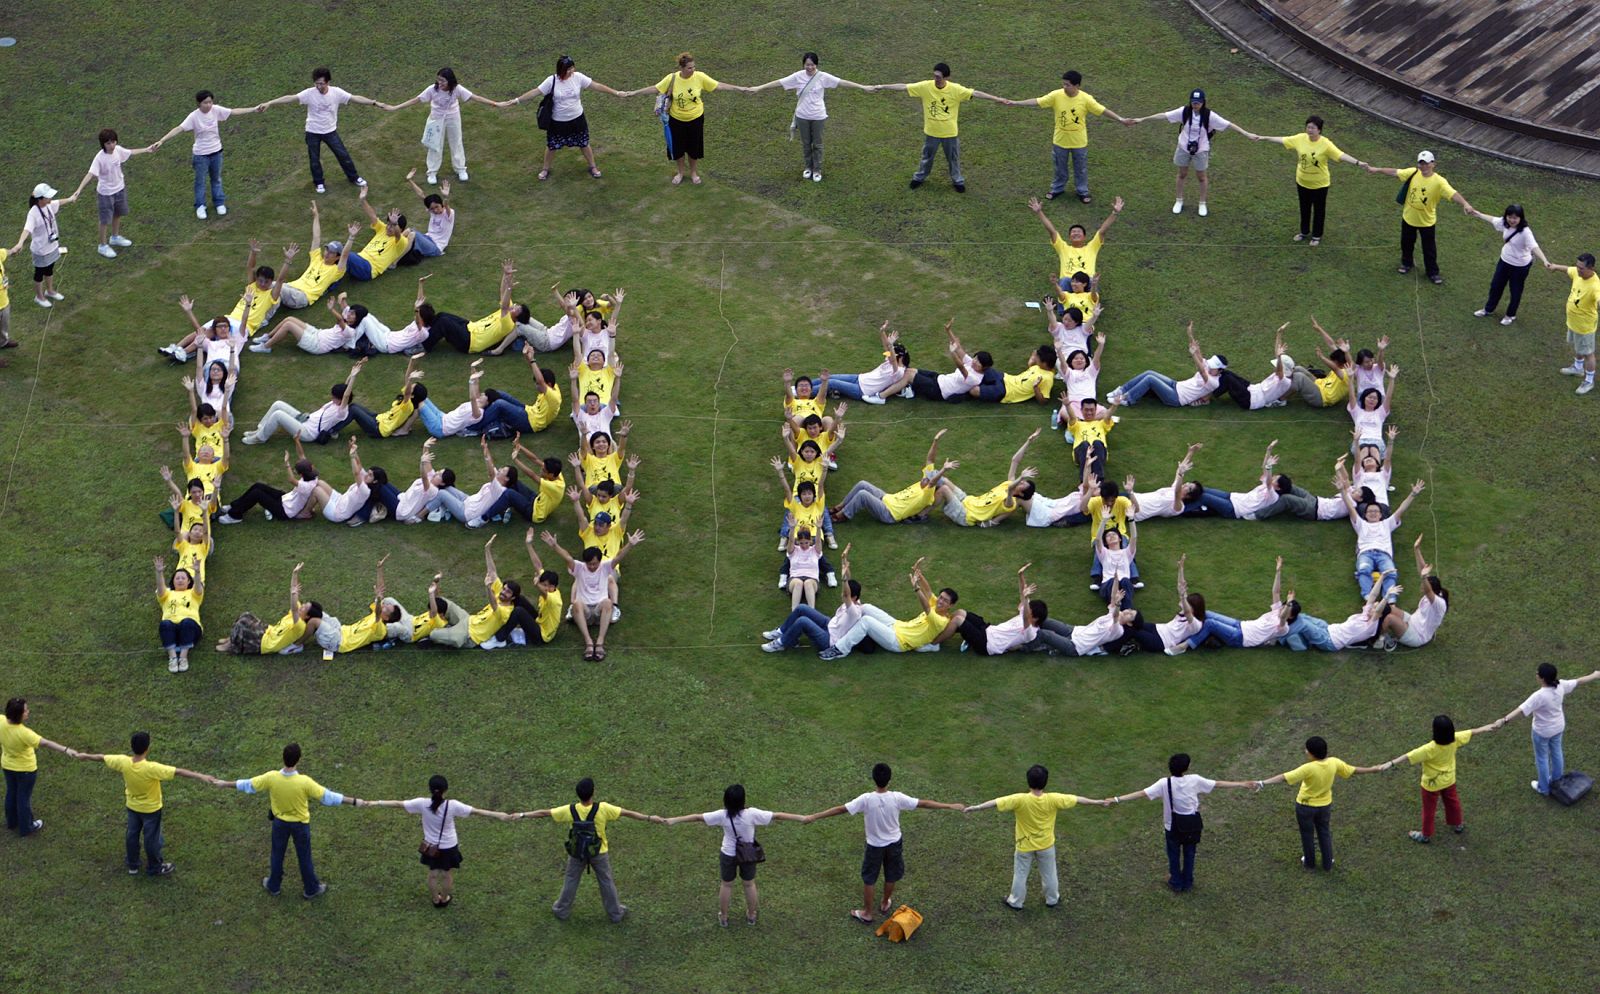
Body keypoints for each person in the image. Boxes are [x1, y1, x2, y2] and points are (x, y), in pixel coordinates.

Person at [806, 762, 964, 923]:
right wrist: (949, 805)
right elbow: (923, 803)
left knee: (869, 879)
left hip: (874, 846)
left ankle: (867, 913)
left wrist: (814, 816)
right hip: (894, 843)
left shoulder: (866, 799)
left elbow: (841, 809)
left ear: (874, 779)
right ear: (890, 780)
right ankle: (884, 902)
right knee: (891, 875)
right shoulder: (896, 798)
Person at [215, 742, 360, 898]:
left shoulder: (272, 778)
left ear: (283, 758)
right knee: (304, 857)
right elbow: (328, 797)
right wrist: (353, 801)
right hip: (300, 826)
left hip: (280, 824)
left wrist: (225, 784)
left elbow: (248, 784)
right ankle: (311, 889)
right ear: (298, 760)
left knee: (277, 854)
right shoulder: (304, 782)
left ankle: (273, 885)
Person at [63, 731, 213, 877]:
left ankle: (132, 865)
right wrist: (202, 776)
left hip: (132, 807)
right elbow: (178, 772)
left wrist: (85, 756)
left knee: (132, 835)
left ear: (132, 746)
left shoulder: (123, 762)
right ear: (147, 748)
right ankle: (154, 867)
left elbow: (102, 757)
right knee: (151, 839)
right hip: (151, 810)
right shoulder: (151, 768)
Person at [356, 775, 517, 907]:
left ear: (430, 789)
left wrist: (375, 802)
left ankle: (435, 899)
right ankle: (445, 899)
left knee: (433, 874)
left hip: (431, 846)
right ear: (445, 790)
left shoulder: (422, 803)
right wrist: (499, 815)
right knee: (447, 874)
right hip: (450, 846)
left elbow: (398, 804)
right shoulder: (453, 805)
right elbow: (477, 812)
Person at [659, 784, 808, 926]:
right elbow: (777, 816)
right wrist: (802, 817)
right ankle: (751, 915)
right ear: (743, 800)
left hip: (728, 854)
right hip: (748, 855)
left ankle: (723, 917)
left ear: (726, 801)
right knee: (749, 884)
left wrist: (674, 820)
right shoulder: (752, 814)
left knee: (726, 884)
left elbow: (698, 817)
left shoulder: (722, 816)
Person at [516, 777, 659, 923]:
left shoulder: (570, 810)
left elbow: (545, 813)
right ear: (593, 792)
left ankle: (561, 910)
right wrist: (649, 817)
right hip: (599, 852)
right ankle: (616, 913)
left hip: (577, 852)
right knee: (606, 881)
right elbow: (627, 813)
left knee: (571, 879)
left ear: (578, 795)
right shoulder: (603, 808)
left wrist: (522, 815)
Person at [1103, 754, 1255, 892]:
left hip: (1172, 826)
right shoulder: (1194, 780)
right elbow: (1218, 784)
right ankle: (1187, 883)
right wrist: (1241, 784)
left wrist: (1117, 799)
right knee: (1189, 854)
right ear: (1186, 768)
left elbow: (1142, 793)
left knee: (1173, 855)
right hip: (1192, 825)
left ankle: (1175, 882)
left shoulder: (1164, 783)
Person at [965, 764, 1109, 909]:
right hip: (1046, 845)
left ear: (1028, 781)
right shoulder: (1054, 799)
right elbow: (1077, 799)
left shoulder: (1020, 799)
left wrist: (976, 808)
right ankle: (1052, 900)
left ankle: (1015, 902)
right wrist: (1097, 802)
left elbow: (995, 803)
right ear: (1045, 782)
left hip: (1024, 846)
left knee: (1020, 875)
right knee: (1050, 874)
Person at [1251, 736, 1385, 871]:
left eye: (1307, 750)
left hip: (1305, 807)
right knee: (1324, 832)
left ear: (1311, 753)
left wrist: (1263, 783)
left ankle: (1310, 863)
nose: (1305, 751)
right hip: (1324, 806)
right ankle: (1327, 863)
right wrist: (1372, 769)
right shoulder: (1334, 762)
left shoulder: (1308, 768)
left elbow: (1284, 777)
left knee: (1307, 834)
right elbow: (1353, 770)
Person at [622, 53, 753, 186]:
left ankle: (693, 173)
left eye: (694, 67)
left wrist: (740, 89)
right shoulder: (671, 78)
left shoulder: (699, 77)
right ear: (682, 68)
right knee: (678, 149)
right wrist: (634, 93)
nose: (693, 70)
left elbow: (718, 85)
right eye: (690, 68)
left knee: (693, 148)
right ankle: (680, 173)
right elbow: (655, 88)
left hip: (695, 119)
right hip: (676, 120)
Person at [1124, 89, 1256, 216]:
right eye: (1193, 102)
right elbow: (1164, 115)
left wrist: (1246, 133)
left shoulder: (1210, 116)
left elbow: (1228, 124)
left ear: (1203, 102)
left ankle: (1202, 203)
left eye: (1198, 102)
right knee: (1182, 174)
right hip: (1183, 147)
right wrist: (1142, 119)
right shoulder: (1184, 112)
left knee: (1201, 177)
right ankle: (1179, 200)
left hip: (1201, 150)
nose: (1195, 105)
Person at [877, 62, 1005, 192]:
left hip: (950, 134)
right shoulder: (925, 86)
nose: (936, 79)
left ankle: (957, 181)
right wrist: (882, 86)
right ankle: (919, 177)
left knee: (953, 159)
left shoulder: (956, 90)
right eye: (934, 76)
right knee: (926, 157)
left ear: (946, 78)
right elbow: (904, 87)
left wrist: (996, 98)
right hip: (931, 132)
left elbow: (976, 93)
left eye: (938, 77)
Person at [1001, 70, 1127, 202]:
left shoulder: (1086, 99)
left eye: (1067, 85)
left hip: (1079, 142)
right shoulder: (1056, 95)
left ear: (1077, 86)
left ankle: (1083, 191)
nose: (1064, 87)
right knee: (1060, 167)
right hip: (1060, 141)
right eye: (1063, 84)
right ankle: (1057, 189)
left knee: (1081, 169)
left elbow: (1103, 111)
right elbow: (1037, 102)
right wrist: (1016, 103)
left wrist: (1120, 119)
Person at [747, 52, 875, 182]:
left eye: (812, 65)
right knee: (806, 143)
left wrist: (862, 87)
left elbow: (842, 82)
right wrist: (759, 88)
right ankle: (808, 167)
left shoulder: (823, 77)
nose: (809, 68)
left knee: (817, 144)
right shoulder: (798, 76)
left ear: (816, 64)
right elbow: (779, 82)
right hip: (802, 116)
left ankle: (817, 169)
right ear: (803, 65)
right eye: (807, 65)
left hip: (818, 116)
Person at [1381, 714, 1505, 844]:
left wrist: (1391, 763)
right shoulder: (1455, 739)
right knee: (1453, 802)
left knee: (1429, 810)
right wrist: (1489, 727)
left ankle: (1425, 835)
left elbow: (1408, 756)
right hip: (1449, 780)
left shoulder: (1429, 748)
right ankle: (1458, 824)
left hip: (1430, 785)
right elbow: (1473, 732)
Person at [503, 56, 627, 180]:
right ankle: (545, 169)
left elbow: (596, 86)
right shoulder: (551, 81)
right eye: (568, 69)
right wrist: (516, 101)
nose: (571, 71)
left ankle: (593, 167)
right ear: (560, 70)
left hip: (577, 119)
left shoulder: (578, 77)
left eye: (572, 68)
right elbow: (535, 92)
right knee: (552, 146)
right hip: (558, 122)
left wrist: (615, 92)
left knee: (584, 144)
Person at [1249, 115, 1366, 244]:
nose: (1310, 130)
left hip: (1320, 185)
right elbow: (1283, 140)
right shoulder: (1300, 138)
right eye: (1308, 127)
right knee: (1304, 208)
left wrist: (1358, 162)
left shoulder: (1325, 144)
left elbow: (1340, 155)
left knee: (1318, 211)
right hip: (1302, 182)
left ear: (1319, 130)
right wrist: (1263, 137)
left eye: (1313, 128)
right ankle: (1304, 232)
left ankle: (1316, 236)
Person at [259, 67, 378, 193]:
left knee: (343, 155)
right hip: (312, 132)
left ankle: (354, 177)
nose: (318, 86)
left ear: (328, 82)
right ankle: (319, 182)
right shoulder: (309, 93)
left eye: (321, 83)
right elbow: (290, 98)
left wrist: (373, 102)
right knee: (314, 160)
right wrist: (270, 103)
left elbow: (354, 98)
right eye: (316, 83)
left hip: (330, 131)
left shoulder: (336, 92)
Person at [1364, 151, 1475, 285]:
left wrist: (1465, 203)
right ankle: (1406, 263)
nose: (1423, 167)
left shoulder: (1439, 182)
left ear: (1433, 164)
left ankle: (1432, 272)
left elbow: (1452, 193)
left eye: (1426, 164)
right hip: (1408, 218)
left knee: (1429, 249)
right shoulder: (1413, 172)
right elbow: (1395, 172)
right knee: (1406, 243)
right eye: (1421, 163)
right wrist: (1377, 170)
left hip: (1427, 222)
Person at [818, 557, 957, 660]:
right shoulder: (937, 604)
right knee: (866, 607)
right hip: (897, 625)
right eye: (941, 597)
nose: (940, 601)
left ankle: (839, 649)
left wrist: (916, 588)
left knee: (866, 621)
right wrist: (919, 575)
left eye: (945, 601)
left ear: (950, 606)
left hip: (898, 641)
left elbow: (926, 607)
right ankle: (847, 626)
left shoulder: (941, 621)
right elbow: (928, 592)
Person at [378, 67, 499, 183]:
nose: (439, 83)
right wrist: (395, 107)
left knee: (456, 142)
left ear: (450, 81)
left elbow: (475, 97)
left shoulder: (457, 89)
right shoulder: (432, 89)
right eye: (438, 79)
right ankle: (432, 172)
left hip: (453, 117)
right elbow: (416, 99)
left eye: (443, 80)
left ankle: (460, 169)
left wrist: (495, 103)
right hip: (436, 119)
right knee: (434, 144)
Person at [1495, 664, 1600, 797]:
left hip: (1542, 731)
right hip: (1558, 727)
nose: (1536, 675)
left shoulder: (1539, 696)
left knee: (1542, 758)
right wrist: (1595, 675)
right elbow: (1578, 681)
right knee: (1557, 752)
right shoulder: (1560, 685)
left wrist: (1503, 720)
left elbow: (1521, 710)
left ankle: (1543, 788)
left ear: (1542, 678)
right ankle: (1556, 781)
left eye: (1537, 673)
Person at [156, 90, 263, 218]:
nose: (208, 105)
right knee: (200, 181)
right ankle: (200, 206)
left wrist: (254, 109)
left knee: (216, 179)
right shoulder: (194, 116)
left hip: (216, 152)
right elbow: (179, 128)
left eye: (210, 102)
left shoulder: (216, 110)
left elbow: (233, 111)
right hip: (201, 155)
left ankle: (219, 203)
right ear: (199, 103)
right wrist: (162, 140)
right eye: (205, 102)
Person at [540, 529, 644, 661]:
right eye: (589, 564)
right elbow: (567, 557)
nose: (592, 566)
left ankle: (600, 642)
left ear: (600, 561)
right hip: (585, 612)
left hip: (600, 611)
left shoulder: (605, 567)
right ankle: (589, 642)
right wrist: (555, 546)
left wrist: (630, 544)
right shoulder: (579, 568)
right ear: (585, 562)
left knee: (607, 602)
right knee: (576, 603)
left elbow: (618, 557)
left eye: (595, 563)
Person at [67, 128, 162, 258]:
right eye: (108, 143)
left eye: (113, 142)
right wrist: (78, 190)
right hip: (105, 193)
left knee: (118, 214)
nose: (111, 145)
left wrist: (147, 149)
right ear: (103, 144)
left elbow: (130, 152)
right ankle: (102, 245)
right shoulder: (99, 158)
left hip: (120, 189)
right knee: (105, 220)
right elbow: (90, 174)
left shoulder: (118, 151)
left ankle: (115, 237)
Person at [829, 429, 955, 524]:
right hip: (887, 498)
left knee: (863, 495)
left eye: (927, 478)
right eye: (926, 476)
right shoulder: (924, 482)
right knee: (863, 484)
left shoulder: (927, 495)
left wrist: (943, 470)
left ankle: (842, 515)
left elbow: (933, 482)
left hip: (889, 514)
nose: (924, 477)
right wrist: (936, 440)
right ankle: (840, 506)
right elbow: (930, 460)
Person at [1340, 474, 1424, 602]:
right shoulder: (1360, 524)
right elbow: (1350, 507)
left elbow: (1401, 509)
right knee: (1363, 569)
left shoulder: (1387, 523)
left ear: (1380, 515)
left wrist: (1413, 494)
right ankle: (1368, 597)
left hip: (1384, 554)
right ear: (1366, 515)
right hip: (1365, 554)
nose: (1373, 513)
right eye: (1370, 512)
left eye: (1376, 511)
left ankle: (1390, 599)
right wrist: (1342, 491)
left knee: (1391, 572)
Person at [1179, 556, 1289, 652]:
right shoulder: (1277, 611)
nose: (1281, 609)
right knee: (1207, 613)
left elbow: (1283, 617)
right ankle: (1186, 628)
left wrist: (1289, 605)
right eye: (1283, 606)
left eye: (1284, 608)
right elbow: (1276, 592)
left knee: (1209, 623)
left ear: (1289, 614)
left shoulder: (1283, 627)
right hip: (1241, 625)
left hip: (1241, 638)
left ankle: (1186, 645)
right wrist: (1278, 571)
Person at [241, 360, 365, 444]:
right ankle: (260, 429)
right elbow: (345, 387)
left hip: (308, 433)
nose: (332, 399)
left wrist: (354, 377)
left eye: (334, 397)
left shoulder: (342, 411)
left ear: (341, 399)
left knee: (278, 415)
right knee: (278, 404)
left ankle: (260, 438)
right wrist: (352, 373)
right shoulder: (336, 403)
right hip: (305, 419)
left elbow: (346, 394)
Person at [935, 429, 1040, 527]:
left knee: (944, 489)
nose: (1020, 482)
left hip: (965, 515)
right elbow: (1015, 461)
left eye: (1022, 484)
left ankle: (922, 515)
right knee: (942, 479)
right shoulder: (1008, 483)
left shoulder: (1010, 503)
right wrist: (1028, 442)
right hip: (967, 500)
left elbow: (1010, 490)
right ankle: (921, 497)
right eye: (1022, 481)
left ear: (1021, 493)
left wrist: (1021, 476)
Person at [1467, 203, 1548, 325]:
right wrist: (1478, 214)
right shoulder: (1505, 223)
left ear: (1521, 218)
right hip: (1504, 261)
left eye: (1515, 218)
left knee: (1515, 291)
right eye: (1509, 217)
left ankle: (1510, 315)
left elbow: (1534, 247)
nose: (1512, 220)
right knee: (1496, 286)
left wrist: (1545, 260)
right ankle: (1488, 309)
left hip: (1520, 267)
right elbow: (1493, 219)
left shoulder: (1526, 232)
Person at [1107, 323, 1224, 407]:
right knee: (1149, 372)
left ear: (1220, 371)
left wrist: (1193, 355)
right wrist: (1190, 335)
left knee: (1150, 379)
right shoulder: (1210, 369)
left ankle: (1127, 399)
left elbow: (1201, 370)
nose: (1210, 367)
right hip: (1176, 385)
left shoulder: (1214, 383)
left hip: (1176, 398)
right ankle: (1122, 390)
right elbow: (1198, 352)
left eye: (1214, 367)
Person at [3, 698, 73, 837]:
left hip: (7, 766)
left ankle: (11, 822)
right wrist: (66, 750)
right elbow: (46, 743)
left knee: (11, 793)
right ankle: (27, 827)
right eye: (26, 710)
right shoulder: (24, 733)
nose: (28, 711)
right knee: (23, 798)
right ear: (19, 715)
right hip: (26, 770)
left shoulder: (1, 722)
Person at [216, 444, 326, 524]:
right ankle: (234, 505)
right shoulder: (313, 475)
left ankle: (235, 515)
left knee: (257, 494)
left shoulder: (306, 486)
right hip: (286, 498)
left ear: (302, 474)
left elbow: (291, 480)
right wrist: (296, 440)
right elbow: (302, 455)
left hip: (284, 511)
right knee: (258, 485)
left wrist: (287, 464)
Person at [950, 564, 1046, 657]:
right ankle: (941, 624)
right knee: (960, 612)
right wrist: (1020, 575)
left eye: (1029, 609)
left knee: (958, 620)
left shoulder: (1030, 633)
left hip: (987, 645)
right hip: (988, 630)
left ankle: (936, 641)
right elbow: (1022, 593)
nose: (1026, 609)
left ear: (1035, 618)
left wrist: (1026, 597)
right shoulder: (1025, 614)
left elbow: (1025, 617)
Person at [13, 182, 82, 308]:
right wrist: (20, 243)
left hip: (52, 246)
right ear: (40, 199)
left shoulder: (48, 205)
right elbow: (27, 229)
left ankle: (50, 291)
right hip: (40, 250)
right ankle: (39, 297)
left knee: (49, 269)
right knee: (39, 273)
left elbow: (58, 202)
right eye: (48, 197)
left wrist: (71, 199)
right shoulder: (33, 213)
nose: (50, 198)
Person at [1027, 195, 1123, 282]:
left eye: (1079, 232)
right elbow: (1052, 231)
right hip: (1068, 282)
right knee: (1064, 281)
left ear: (1084, 237)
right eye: (1073, 232)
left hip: (1087, 281)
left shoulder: (1092, 247)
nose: (1076, 233)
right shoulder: (1063, 248)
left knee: (1092, 282)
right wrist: (1039, 212)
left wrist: (1114, 213)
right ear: (1069, 237)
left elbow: (1102, 231)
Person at [1376, 536, 1450, 649]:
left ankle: (1379, 640)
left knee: (1389, 619)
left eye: (1423, 584)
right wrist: (1416, 549)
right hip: (1412, 620)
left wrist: (1424, 577)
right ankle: (1375, 628)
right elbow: (1423, 570)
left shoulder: (1438, 603)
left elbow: (1427, 587)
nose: (1421, 586)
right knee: (1387, 608)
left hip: (1417, 636)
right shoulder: (1435, 592)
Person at [276, 202, 354, 309]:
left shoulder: (336, 271)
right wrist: (316, 216)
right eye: (327, 249)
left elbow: (345, 255)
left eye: (331, 252)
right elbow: (316, 237)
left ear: (337, 257)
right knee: (267, 286)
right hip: (291, 287)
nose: (327, 253)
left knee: (273, 287)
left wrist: (351, 237)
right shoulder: (316, 259)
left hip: (303, 296)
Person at [1546, 252, 1600, 395]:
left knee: (1588, 353)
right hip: (1573, 322)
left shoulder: (1595, 286)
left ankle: (1589, 381)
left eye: (1581, 268)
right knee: (1578, 346)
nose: (1578, 270)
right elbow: (1568, 269)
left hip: (1584, 326)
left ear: (1591, 269)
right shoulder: (1578, 273)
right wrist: (1555, 266)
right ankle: (1577, 368)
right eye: (1577, 266)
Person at [1211, 328, 1294, 410]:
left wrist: (1279, 357)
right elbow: (1277, 354)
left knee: (1227, 379)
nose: (1275, 367)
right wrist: (1279, 334)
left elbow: (1279, 370)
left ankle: (1207, 397)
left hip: (1250, 401)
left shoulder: (1285, 381)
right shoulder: (1281, 375)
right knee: (1227, 373)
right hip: (1252, 390)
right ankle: (1210, 389)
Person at [154, 556, 204, 674]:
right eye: (177, 578)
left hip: (191, 629)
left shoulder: (194, 594)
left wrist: (197, 572)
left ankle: (183, 657)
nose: (180, 580)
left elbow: (198, 586)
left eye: (183, 578)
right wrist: (159, 572)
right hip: (171, 630)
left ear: (188, 581)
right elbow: (160, 588)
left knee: (187, 622)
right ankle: (172, 658)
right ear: (173, 581)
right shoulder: (167, 594)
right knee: (165, 623)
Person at [1064, 396, 1122, 481]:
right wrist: (1067, 405)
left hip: (1099, 452)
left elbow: (1108, 416)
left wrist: (1114, 405)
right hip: (1081, 453)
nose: (1089, 412)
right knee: (1084, 444)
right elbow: (1072, 417)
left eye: (1092, 410)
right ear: (1081, 410)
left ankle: (1098, 481)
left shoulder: (1101, 424)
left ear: (1095, 410)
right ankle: (1084, 481)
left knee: (1097, 443)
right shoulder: (1077, 424)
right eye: (1086, 410)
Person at [403, 173, 455, 257]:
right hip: (427, 238)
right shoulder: (432, 211)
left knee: (412, 233)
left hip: (436, 247)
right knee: (407, 238)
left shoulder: (449, 214)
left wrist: (445, 197)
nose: (435, 210)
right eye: (432, 209)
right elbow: (421, 195)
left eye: (437, 207)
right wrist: (410, 180)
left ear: (441, 204)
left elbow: (446, 205)